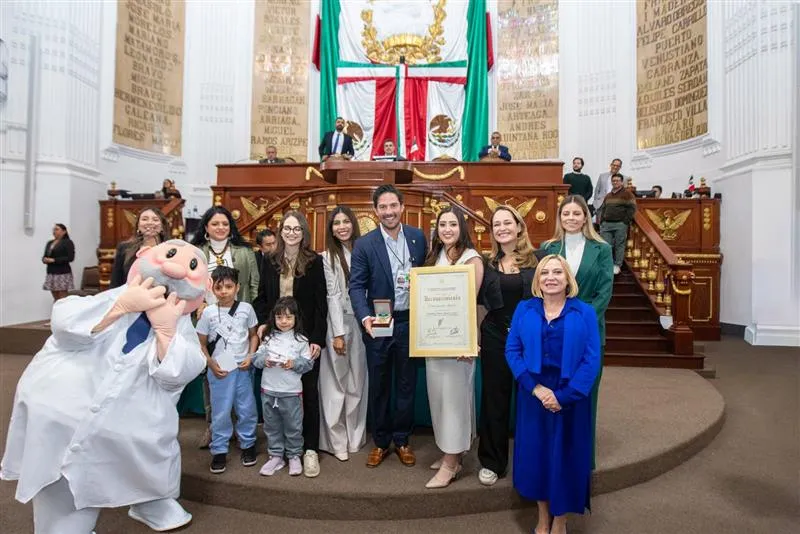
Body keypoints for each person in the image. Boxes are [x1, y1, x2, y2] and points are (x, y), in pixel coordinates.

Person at [1, 240, 209, 534]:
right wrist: (118, 306)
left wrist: (165, 332)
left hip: (134, 421)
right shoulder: (112, 298)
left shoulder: (180, 325)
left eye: (191, 266)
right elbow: (65, 322)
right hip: (65, 405)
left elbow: (182, 370)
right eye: (171, 254)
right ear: (142, 256)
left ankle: (148, 499)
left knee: (148, 450)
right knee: (63, 478)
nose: (174, 268)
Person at [505, 254, 601, 534]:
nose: (551, 277)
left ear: (567, 278)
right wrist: (535, 388)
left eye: (557, 272)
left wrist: (564, 396)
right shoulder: (524, 309)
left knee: (565, 459)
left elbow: (591, 359)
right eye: (544, 272)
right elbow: (513, 351)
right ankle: (543, 517)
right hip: (533, 395)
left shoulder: (584, 312)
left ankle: (560, 521)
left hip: (570, 399)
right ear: (537, 280)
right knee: (538, 459)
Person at [349, 184, 427, 468]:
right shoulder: (365, 244)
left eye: (393, 205)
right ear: (375, 210)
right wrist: (364, 317)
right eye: (382, 207)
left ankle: (403, 440)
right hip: (379, 321)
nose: (389, 211)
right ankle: (381, 442)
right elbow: (356, 286)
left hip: (410, 321)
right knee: (380, 384)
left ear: (402, 207)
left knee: (407, 384)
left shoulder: (418, 238)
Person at [539, 195, 614, 468]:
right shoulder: (548, 247)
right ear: (559, 218)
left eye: (576, 213)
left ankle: (582, 458)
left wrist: (577, 324)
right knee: (554, 393)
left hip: (589, 334)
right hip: (552, 336)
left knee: (583, 394)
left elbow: (604, 292)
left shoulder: (602, 249)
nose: (571, 218)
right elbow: (542, 287)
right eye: (566, 214)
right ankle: (553, 455)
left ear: (586, 217)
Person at [253, 210, 328, 477]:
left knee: (307, 393)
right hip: (275, 337)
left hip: (303, 339)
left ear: (304, 232)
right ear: (281, 230)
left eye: (297, 229)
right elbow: (262, 296)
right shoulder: (270, 260)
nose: (292, 233)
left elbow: (322, 304)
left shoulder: (314, 261)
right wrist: (263, 321)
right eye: (287, 228)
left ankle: (309, 450)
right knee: (274, 395)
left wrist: (318, 340)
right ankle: (279, 451)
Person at [476, 205, 539, 486]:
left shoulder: (538, 261)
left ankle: (533, 460)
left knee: (531, 398)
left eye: (507, 223)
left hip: (530, 340)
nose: (501, 228)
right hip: (495, 337)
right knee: (494, 400)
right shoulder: (486, 263)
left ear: (519, 226)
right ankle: (492, 462)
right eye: (496, 224)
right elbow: (478, 304)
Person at [422, 207, 484, 489]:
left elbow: (470, 306)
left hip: (458, 343)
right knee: (439, 399)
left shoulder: (472, 259)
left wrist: (468, 342)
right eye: (442, 224)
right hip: (434, 341)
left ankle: (451, 463)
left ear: (462, 227)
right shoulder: (435, 257)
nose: (447, 229)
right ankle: (450, 451)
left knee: (455, 401)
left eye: (452, 224)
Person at [190, 206, 259, 449]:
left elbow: (253, 286)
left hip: (237, 321)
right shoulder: (195, 252)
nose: (220, 228)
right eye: (215, 224)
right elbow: (188, 286)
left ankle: (243, 429)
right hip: (207, 322)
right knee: (213, 376)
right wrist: (197, 307)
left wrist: (242, 312)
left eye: (225, 224)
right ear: (206, 228)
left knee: (241, 381)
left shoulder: (244, 252)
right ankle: (215, 426)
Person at [196, 266, 260, 475]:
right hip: (219, 370)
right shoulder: (207, 312)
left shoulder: (246, 309)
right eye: (219, 287)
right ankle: (219, 449)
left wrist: (250, 356)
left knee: (246, 407)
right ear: (212, 289)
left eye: (229, 287)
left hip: (242, 367)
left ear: (237, 287)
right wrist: (210, 363)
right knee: (221, 411)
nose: (224, 291)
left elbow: (253, 335)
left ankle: (248, 443)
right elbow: (201, 344)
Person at [319, 206, 368, 462]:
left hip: (361, 323)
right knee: (335, 384)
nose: (341, 227)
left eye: (346, 221)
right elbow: (333, 295)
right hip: (336, 324)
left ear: (353, 224)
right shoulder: (327, 256)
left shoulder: (363, 250)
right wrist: (338, 333)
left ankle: (355, 438)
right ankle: (336, 440)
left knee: (357, 383)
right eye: (336, 223)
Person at [252, 297, 314, 476]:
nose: (284, 321)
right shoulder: (268, 337)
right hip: (269, 390)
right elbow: (256, 359)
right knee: (271, 426)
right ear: (274, 318)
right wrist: (265, 361)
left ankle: (294, 456)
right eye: (279, 318)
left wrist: (293, 364)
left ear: (296, 318)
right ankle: (276, 456)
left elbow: (308, 364)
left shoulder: (301, 340)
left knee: (293, 426)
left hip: (291, 392)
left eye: (288, 317)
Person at [110, 207, 170, 288]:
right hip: (130, 296)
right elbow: (116, 282)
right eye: (144, 219)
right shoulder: (124, 248)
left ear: (162, 226)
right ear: (138, 226)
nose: (150, 222)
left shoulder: (170, 249)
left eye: (155, 220)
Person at [598, 173, 637, 275]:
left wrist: (625, 221)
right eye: (613, 180)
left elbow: (632, 208)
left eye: (617, 180)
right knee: (606, 246)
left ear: (621, 182)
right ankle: (607, 264)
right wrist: (601, 221)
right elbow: (603, 208)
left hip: (620, 224)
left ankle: (617, 265)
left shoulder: (627, 194)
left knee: (619, 245)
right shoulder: (608, 195)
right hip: (606, 224)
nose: (615, 182)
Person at [42, 223, 75, 301]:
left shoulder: (68, 242)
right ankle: (56, 311)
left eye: (57, 229)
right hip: (51, 271)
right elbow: (45, 255)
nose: (54, 231)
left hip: (62, 272)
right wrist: (44, 259)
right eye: (54, 229)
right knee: (55, 297)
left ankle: (64, 312)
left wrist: (54, 260)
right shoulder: (50, 243)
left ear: (64, 231)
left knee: (62, 298)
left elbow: (70, 258)